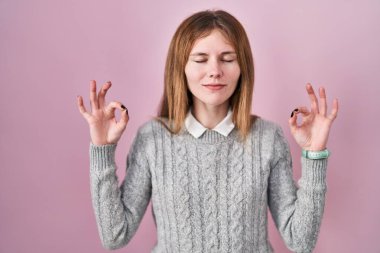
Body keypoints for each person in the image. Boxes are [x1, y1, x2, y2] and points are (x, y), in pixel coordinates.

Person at [77, 9, 338, 253]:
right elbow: (113, 235)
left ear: (242, 68)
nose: (215, 71)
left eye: (227, 59)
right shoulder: (151, 139)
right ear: (181, 68)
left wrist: (314, 155)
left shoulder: (268, 138)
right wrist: (102, 149)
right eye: (200, 59)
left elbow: (301, 241)